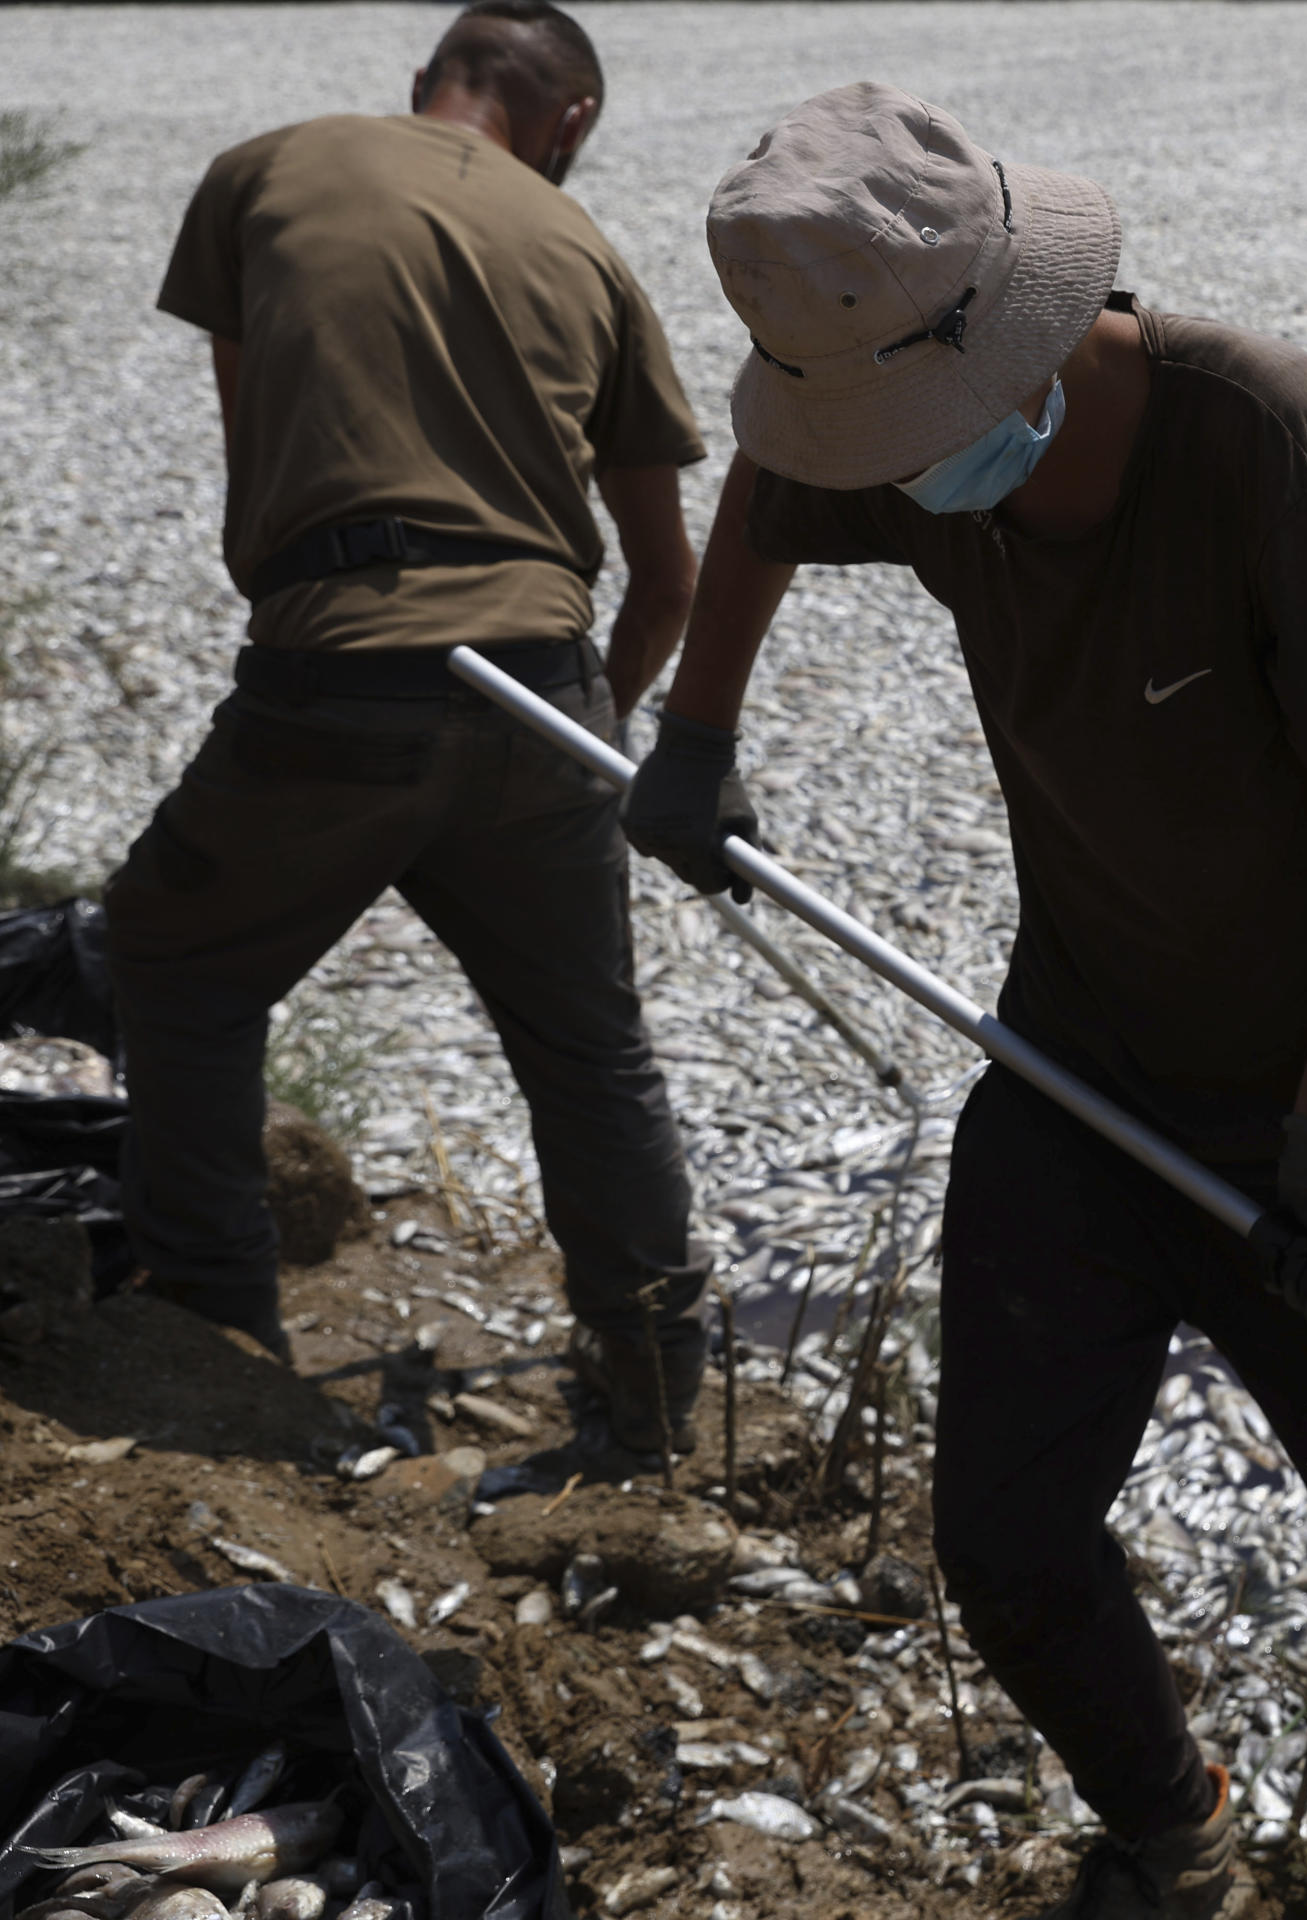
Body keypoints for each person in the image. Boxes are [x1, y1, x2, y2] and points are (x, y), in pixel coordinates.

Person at [628, 82, 1307, 1920]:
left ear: (1008, 330)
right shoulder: (897, 443)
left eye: (917, 428)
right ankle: (1171, 1827)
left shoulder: (1265, 434)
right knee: (1006, 1535)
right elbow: (774, 498)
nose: (911, 465)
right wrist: (697, 734)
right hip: (1081, 1053)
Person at [112, 0, 715, 1467]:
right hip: (550, 690)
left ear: (428, 79)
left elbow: (254, 464)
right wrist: (582, 737)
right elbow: (671, 577)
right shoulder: (587, 252)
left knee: (175, 965)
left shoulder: (265, 169)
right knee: (589, 1051)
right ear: (566, 120)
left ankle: (217, 1352)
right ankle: (648, 1402)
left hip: (337, 677)